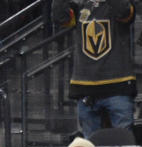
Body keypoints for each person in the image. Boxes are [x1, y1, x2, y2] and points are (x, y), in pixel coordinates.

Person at [52, 0, 137, 137]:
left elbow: (124, 12)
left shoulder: (122, 4)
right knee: (91, 146)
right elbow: (60, 17)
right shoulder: (80, 6)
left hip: (119, 85)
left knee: (124, 142)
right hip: (86, 87)